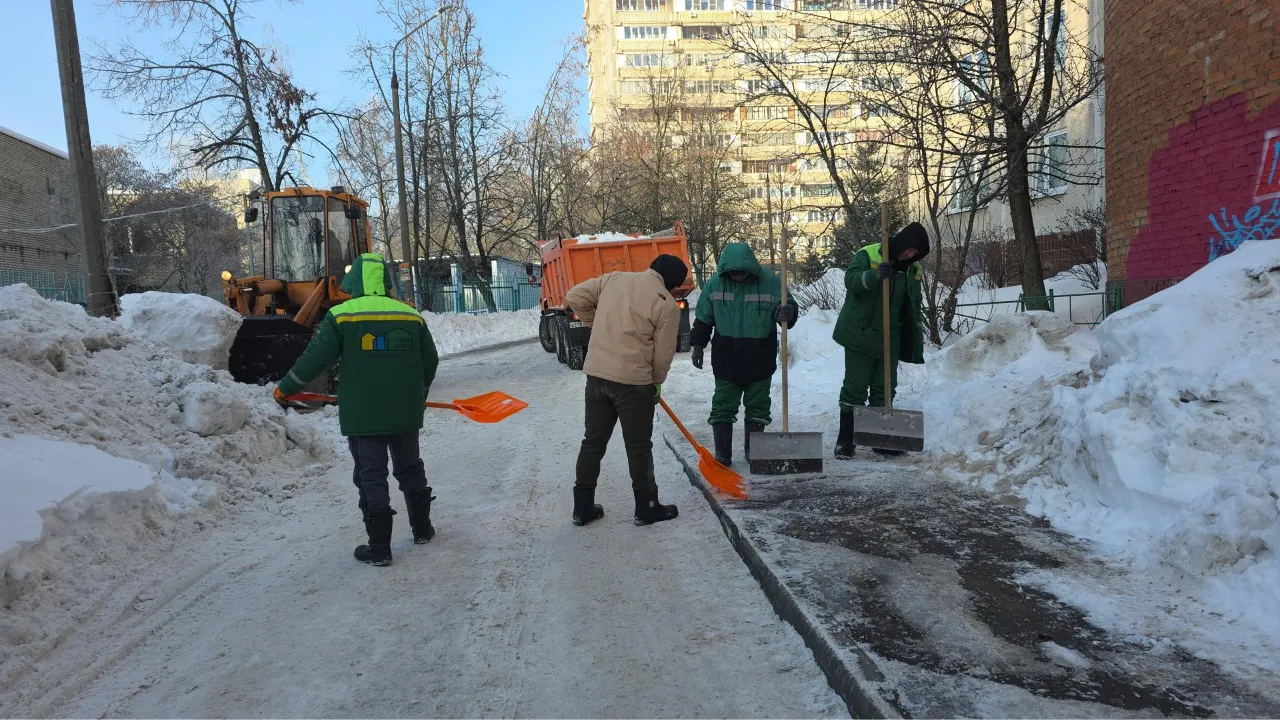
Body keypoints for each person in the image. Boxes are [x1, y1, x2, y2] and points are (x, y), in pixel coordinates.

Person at [273, 253, 439, 566]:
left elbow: (315, 358)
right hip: (405, 412)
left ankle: (380, 549)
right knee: (410, 468)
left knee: (371, 475)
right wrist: (420, 394)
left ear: (355, 281)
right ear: (385, 281)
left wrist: (287, 387)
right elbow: (429, 361)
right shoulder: (410, 316)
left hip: (364, 415)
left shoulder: (342, 316)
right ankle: (422, 529)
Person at [566, 255, 689, 527]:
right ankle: (647, 507)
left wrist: (595, 323)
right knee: (638, 448)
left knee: (592, 442)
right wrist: (656, 382)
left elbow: (574, 296)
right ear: (672, 283)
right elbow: (663, 354)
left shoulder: (614, 279)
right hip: (633, 384)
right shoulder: (666, 305)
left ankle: (582, 509)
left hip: (597, 377)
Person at [688, 242, 798, 465]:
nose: (737, 276)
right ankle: (723, 455)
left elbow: (788, 310)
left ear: (751, 268)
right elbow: (703, 319)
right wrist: (698, 345)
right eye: (733, 272)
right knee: (723, 405)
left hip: (760, 356)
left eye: (741, 272)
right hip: (726, 357)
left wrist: (788, 312)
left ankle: (754, 452)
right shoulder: (715, 285)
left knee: (758, 405)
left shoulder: (771, 283)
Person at [832, 222, 930, 459]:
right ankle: (846, 441)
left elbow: (914, 303)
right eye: (909, 249)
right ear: (902, 243)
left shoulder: (913, 270)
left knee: (884, 390)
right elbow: (851, 281)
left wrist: (913, 333)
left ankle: (880, 439)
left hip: (890, 338)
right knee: (855, 389)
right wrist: (874, 275)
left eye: (915, 253)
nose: (910, 255)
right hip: (861, 334)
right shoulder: (868, 254)